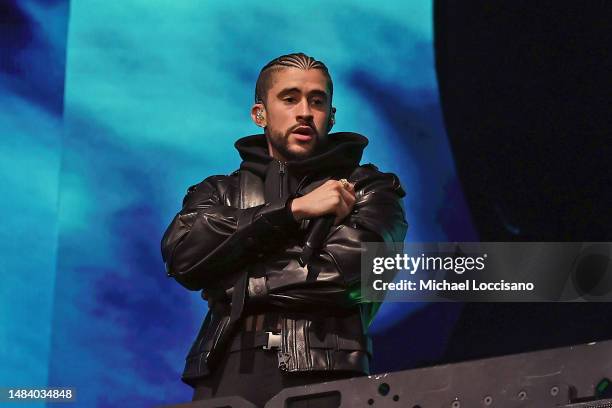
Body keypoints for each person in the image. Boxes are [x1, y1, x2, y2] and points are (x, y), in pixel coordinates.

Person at [161, 52, 408, 406]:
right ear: (259, 114)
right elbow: (183, 257)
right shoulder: (219, 192)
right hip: (222, 374)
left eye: (317, 100)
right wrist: (291, 212)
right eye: (290, 98)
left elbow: (348, 276)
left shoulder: (370, 188)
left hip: (325, 371)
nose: (305, 111)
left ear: (331, 116)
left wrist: (231, 279)